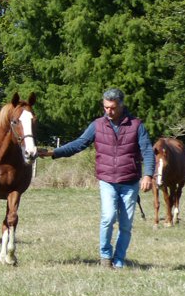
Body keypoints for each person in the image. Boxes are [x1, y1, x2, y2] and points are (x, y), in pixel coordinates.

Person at [37, 88, 153, 269]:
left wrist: (148, 175)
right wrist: (54, 152)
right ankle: (105, 257)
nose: (109, 111)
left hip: (130, 182)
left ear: (121, 106)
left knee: (125, 225)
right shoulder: (97, 125)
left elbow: (147, 151)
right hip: (107, 180)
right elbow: (79, 144)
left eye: (113, 108)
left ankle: (119, 260)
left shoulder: (136, 125)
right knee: (108, 218)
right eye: (106, 107)